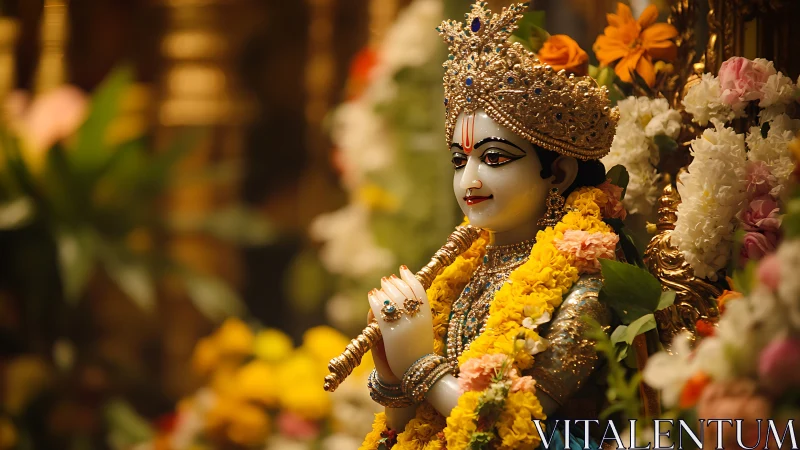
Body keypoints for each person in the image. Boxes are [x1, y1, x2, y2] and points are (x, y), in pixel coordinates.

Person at [360, 2, 622, 449]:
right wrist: (392, 370)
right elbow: (406, 425)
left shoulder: (587, 290)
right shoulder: (464, 274)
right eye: (460, 161)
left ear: (557, 174)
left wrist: (419, 362)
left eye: (495, 158)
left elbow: (509, 423)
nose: (469, 180)